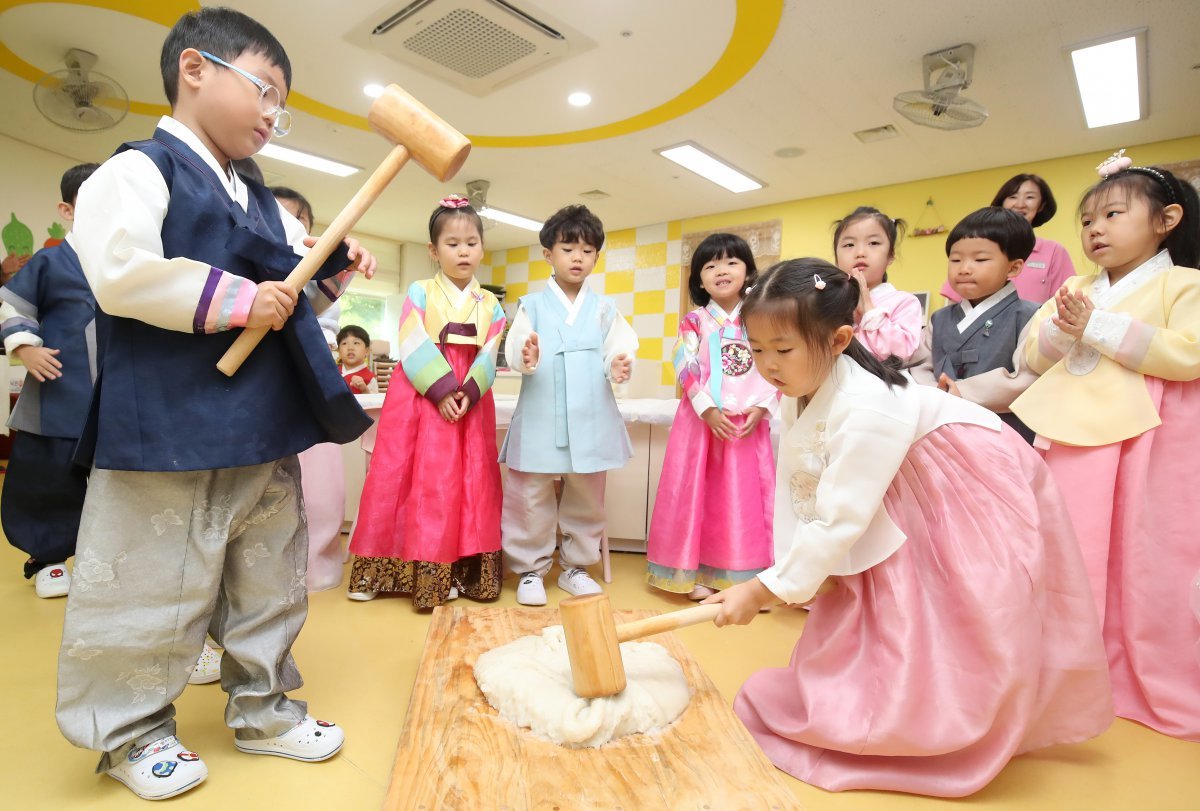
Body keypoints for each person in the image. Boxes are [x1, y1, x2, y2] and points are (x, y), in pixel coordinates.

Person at [57, 8, 376, 800]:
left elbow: (289, 296)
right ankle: (131, 732)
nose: (273, 114)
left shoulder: (260, 197)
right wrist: (241, 299)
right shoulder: (135, 171)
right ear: (196, 69)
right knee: (148, 583)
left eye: (282, 103)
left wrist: (329, 274)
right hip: (165, 422)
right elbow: (123, 271)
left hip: (260, 428)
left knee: (268, 578)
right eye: (264, 89)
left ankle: (263, 707)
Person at [705, 258, 1112, 797]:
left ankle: (940, 714)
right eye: (756, 350)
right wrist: (792, 575)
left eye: (783, 350)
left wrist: (765, 588)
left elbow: (841, 514)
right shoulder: (802, 386)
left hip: (961, 473)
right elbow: (805, 483)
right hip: (892, 472)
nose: (768, 365)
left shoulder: (868, 402)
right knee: (869, 595)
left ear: (838, 339)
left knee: (942, 597)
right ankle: (873, 696)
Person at [1011, 153, 1200, 741]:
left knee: (1141, 554)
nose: (1096, 228)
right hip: (1069, 434)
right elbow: (1029, 358)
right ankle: (1065, 666)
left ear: (1167, 219)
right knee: (1068, 549)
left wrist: (1095, 326)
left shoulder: (1183, 282)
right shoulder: (1072, 287)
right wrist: (1064, 329)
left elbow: (1189, 353)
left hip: (1147, 437)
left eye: (1113, 214)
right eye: (1088, 220)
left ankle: (1132, 665)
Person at [347, 196, 506, 609]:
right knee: (408, 476)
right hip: (422, 393)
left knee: (467, 481)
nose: (463, 250)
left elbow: (490, 352)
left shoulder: (490, 303)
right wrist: (440, 390)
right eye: (452, 243)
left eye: (471, 242)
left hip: (470, 397)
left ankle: (455, 570)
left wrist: (467, 393)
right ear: (433, 251)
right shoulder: (419, 291)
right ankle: (380, 570)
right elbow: (412, 339)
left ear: (482, 248)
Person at [500, 204, 637, 606]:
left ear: (596, 256)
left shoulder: (604, 309)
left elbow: (619, 350)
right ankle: (529, 570)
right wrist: (524, 356)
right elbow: (515, 349)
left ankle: (576, 567)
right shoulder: (532, 305)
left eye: (588, 250)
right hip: (541, 416)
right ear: (548, 254)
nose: (578, 258)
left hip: (590, 417)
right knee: (530, 493)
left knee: (587, 494)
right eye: (568, 248)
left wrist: (619, 365)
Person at [645, 233, 777, 600]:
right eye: (710, 264)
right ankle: (698, 573)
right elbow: (683, 362)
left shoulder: (761, 316)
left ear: (748, 271)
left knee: (741, 502)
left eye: (732, 262)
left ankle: (746, 581)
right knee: (698, 498)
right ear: (698, 279)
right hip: (702, 423)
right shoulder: (695, 320)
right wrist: (705, 407)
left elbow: (774, 361)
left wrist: (764, 405)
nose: (722, 270)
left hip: (746, 424)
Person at [0, 163, 99, 597]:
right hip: (59, 391)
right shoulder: (51, 259)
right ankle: (49, 557)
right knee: (48, 479)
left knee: (115, 484)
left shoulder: (132, 263)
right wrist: (24, 347)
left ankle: (105, 557)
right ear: (68, 209)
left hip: (115, 398)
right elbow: (13, 302)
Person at [908, 207, 1040, 442]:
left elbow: (1028, 376)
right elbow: (920, 365)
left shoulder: (1030, 315)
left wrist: (964, 392)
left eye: (980, 259)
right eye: (955, 259)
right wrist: (934, 394)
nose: (964, 268)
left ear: (1014, 267)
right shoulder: (939, 318)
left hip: (1001, 433)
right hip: (941, 428)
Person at [942, 173, 1076, 304]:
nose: (1020, 204)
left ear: (1041, 205)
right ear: (1002, 203)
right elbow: (954, 301)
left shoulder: (1053, 251)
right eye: (1012, 197)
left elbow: (1066, 299)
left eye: (1029, 197)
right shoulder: (974, 246)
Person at [832, 206, 922, 362]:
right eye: (849, 245)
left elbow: (903, 353)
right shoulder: (831, 302)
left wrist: (869, 311)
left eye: (873, 243)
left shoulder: (904, 302)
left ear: (891, 255)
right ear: (836, 258)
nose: (860, 252)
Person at [337, 324, 378, 393]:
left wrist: (364, 389)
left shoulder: (370, 379)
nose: (350, 348)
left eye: (356, 343)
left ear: (367, 351)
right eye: (344, 343)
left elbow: (373, 402)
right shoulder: (332, 372)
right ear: (339, 351)